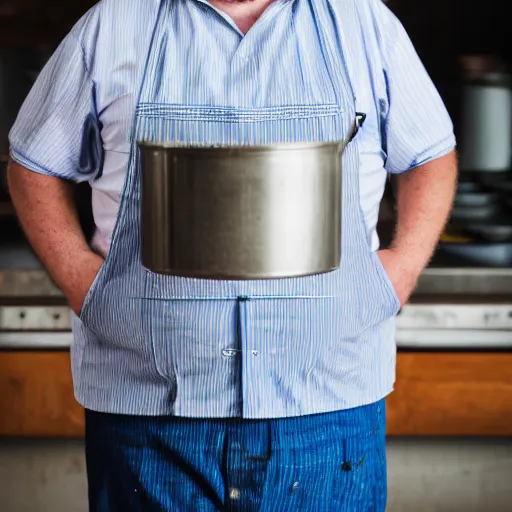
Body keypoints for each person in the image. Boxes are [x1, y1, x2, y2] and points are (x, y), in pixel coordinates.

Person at [7, 0, 457, 510]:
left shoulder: (363, 21)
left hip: (329, 411)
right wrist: (83, 282)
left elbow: (430, 156)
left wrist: (399, 270)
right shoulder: (114, 23)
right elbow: (33, 164)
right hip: (147, 414)